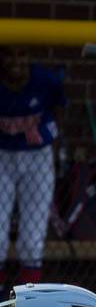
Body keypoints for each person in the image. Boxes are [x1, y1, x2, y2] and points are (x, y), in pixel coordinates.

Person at [0, 47, 64, 288]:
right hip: (3, 156)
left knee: (32, 237)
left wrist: (55, 153)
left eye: (22, 54)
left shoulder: (45, 81)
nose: (16, 61)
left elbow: (59, 111)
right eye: (10, 55)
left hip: (38, 156)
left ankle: (27, 300)